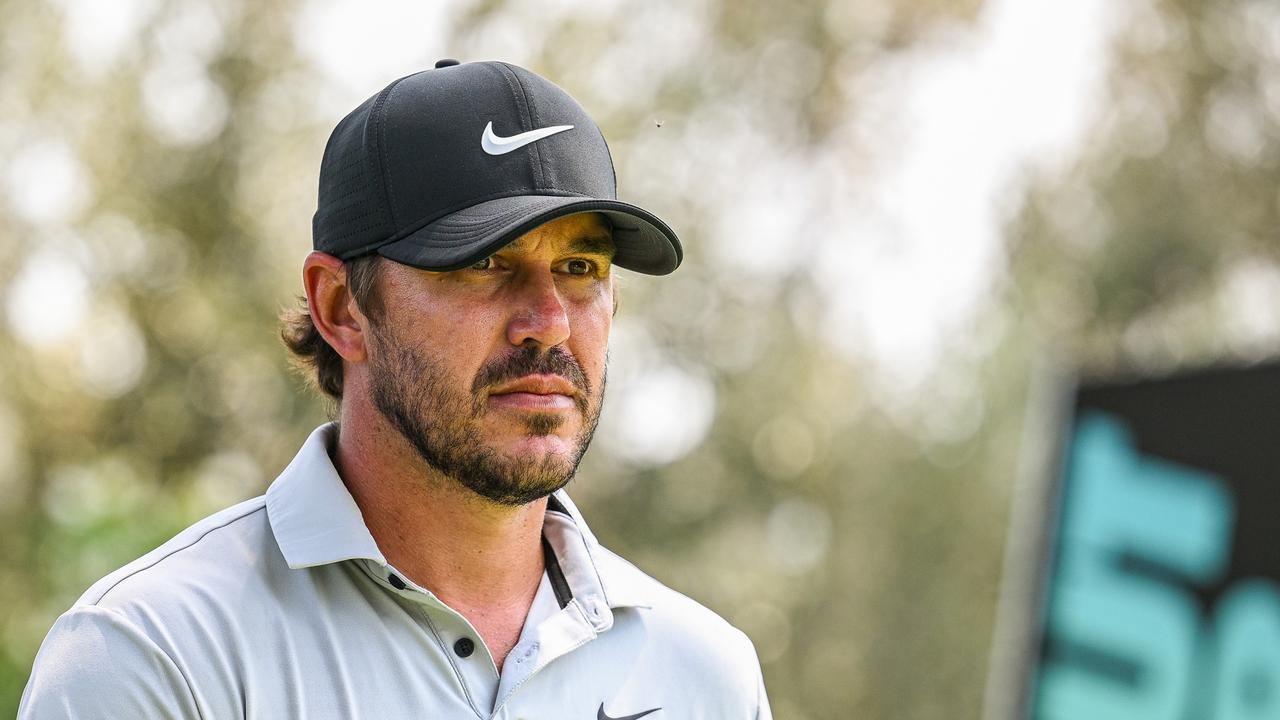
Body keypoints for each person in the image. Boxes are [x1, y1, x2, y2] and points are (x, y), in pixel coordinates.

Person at [20, 59, 772, 719]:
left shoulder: (704, 675)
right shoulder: (155, 655)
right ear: (342, 309)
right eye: (484, 264)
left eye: (581, 269)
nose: (548, 323)